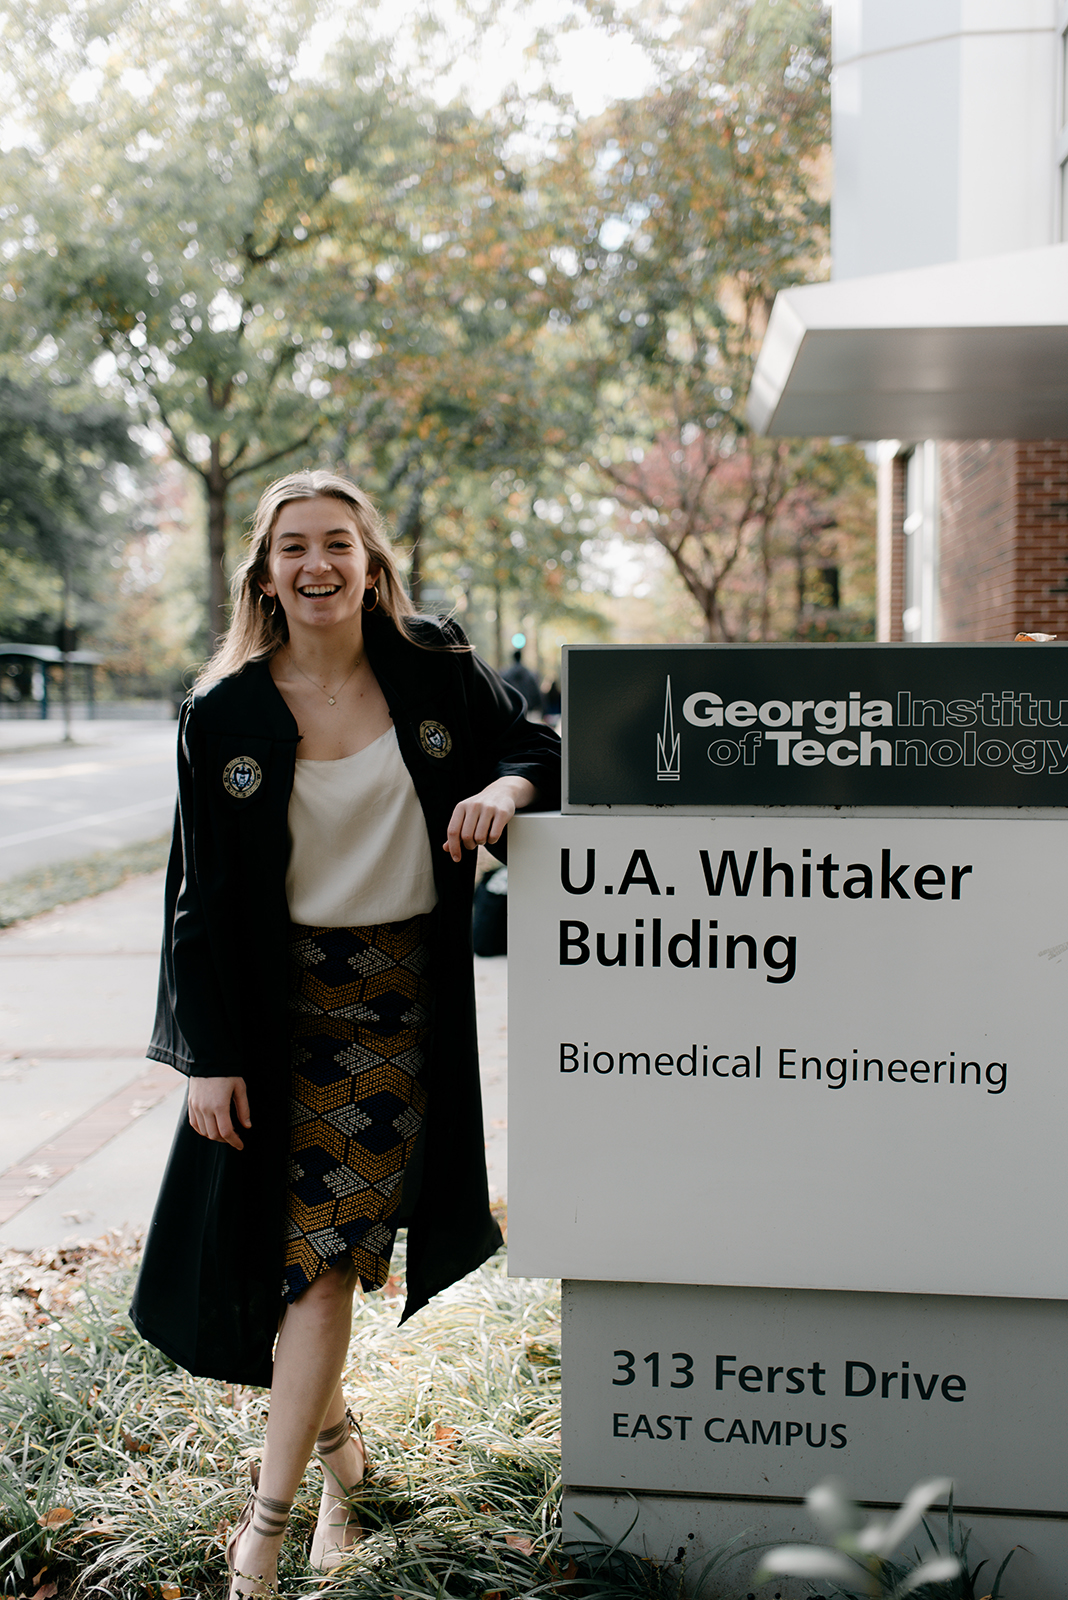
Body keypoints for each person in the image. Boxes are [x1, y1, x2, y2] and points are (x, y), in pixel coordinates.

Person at [130, 470, 560, 1599]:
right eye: (292, 548)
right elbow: (200, 897)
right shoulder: (223, 711)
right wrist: (206, 1053)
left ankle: (266, 1533)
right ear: (264, 574)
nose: (316, 566)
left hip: (397, 1010)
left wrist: (505, 793)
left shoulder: (431, 665)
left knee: (318, 1269)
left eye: (337, 544)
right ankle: (339, 1455)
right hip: (275, 1013)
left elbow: (538, 749)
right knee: (287, 1265)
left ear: (370, 561)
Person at [500, 648, 544, 718]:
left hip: (512, 710)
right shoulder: (530, 674)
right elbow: (536, 692)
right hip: (528, 709)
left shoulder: (505, 675)